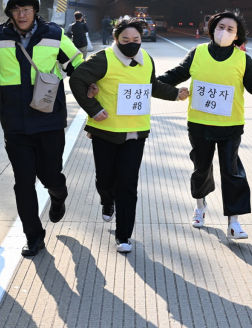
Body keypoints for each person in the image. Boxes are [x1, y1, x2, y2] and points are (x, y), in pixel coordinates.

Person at [0, 0, 84, 257]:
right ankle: (33, 236)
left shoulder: (54, 34)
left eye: (27, 9)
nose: (22, 14)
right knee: (23, 182)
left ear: (35, 10)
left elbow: (77, 63)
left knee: (51, 175)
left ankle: (58, 194)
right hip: (15, 122)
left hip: (49, 120)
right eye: (17, 10)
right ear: (9, 12)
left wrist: (88, 85)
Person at [69, 18, 189, 254]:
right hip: (105, 131)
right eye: (125, 40)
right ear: (116, 39)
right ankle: (107, 200)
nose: (131, 44)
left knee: (128, 183)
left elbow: (151, 85)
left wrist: (176, 94)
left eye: (136, 40)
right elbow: (77, 79)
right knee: (105, 179)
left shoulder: (147, 60)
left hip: (135, 133)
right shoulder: (103, 59)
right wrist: (94, 109)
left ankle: (124, 235)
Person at [157, 12, 252, 240]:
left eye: (230, 29)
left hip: (230, 126)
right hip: (199, 124)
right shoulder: (198, 53)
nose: (224, 32)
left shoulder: (243, 59)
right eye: (220, 26)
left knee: (232, 172)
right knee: (201, 168)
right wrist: (163, 89)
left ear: (237, 36)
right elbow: (173, 76)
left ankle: (234, 221)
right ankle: (200, 207)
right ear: (212, 29)